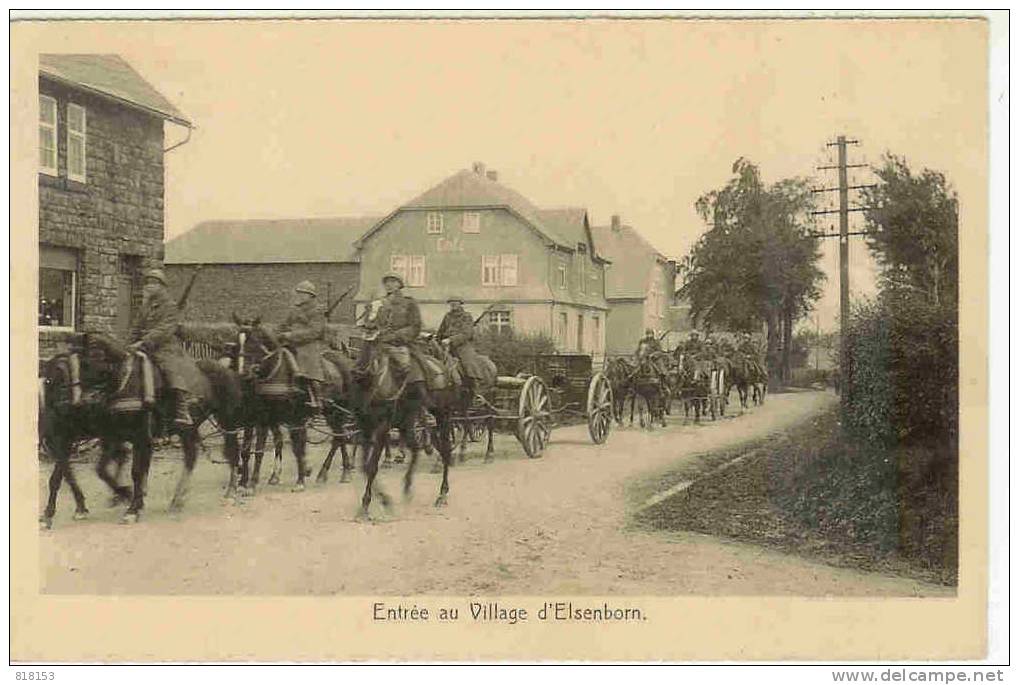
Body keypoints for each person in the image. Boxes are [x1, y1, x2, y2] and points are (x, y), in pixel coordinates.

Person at [127, 269, 204, 427]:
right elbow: (135, 327)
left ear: (162, 286)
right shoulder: (146, 306)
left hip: (165, 347)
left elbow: (164, 330)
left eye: (153, 283)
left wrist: (143, 342)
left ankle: (182, 409)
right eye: (147, 283)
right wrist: (127, 344)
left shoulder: (170, 306)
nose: (149, 286)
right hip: (144, 346)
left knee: (169, 369)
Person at [277, 280, 326, 409]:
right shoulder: (294, 310)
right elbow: (283, 325)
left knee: (307, 363)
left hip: (308, 344)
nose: (300, 296)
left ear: (311, 296)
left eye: (303, 293)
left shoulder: (317, 311)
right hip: (290, 343)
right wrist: (278, 333)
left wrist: (292, 335)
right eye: (299, 293)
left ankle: (317, 398)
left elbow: (315, 332)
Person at [367, 272, 421, 385]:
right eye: (386, 282)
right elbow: (372, 323)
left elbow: (415, 326)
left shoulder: (409, 303)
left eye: (393, 282)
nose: (389, 285)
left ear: (399, 285)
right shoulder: (379, 302)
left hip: (399, 343)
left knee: (406, 367)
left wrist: (396, 335)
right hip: (378, 342)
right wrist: (370, 323)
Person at [437, 296, 486, 392]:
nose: (453, 304)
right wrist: (436, 338)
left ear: (460, 304)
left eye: (456, 302)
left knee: (468, 362)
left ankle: (476, 388)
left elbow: (467, 334)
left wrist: (451, 339)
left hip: (462, 345)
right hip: (446, 346)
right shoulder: (447, 316)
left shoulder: (466, 316)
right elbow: (441, 331)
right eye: (451, 302)